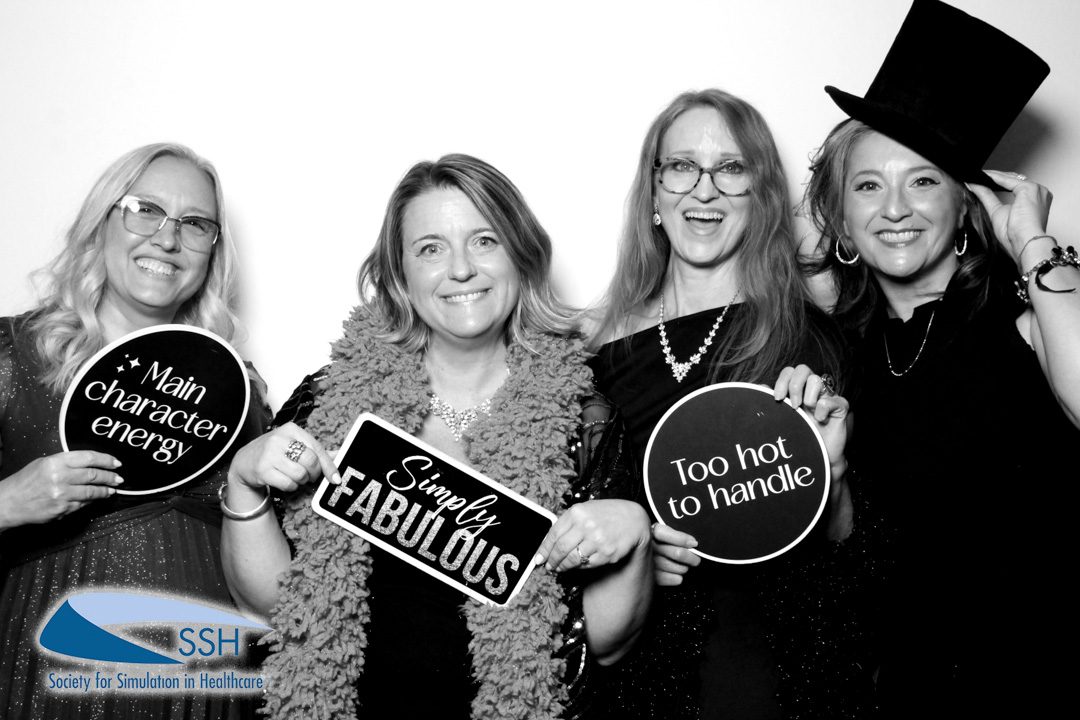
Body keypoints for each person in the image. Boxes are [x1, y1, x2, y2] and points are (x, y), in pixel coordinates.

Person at [220, 154, 653, 719]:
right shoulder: (329, 400)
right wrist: (244, 481)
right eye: (430, 249)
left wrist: (635, 536)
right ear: (400, 274)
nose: (461, 269)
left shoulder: (585, 421)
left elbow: (605, 646)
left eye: (484, 241)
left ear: (521, 256)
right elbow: (274, 608)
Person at [803, 1, 1079, 715]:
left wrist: (1033, 242)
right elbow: (853, 553)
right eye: (869, 185)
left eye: (923, 180)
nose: (895, 208)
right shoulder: (844, 356)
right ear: (842, 221)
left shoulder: (1028, 310)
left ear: (963, 208)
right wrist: (831, 474)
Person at [587, 88, 872, 719]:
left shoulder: (810, 342)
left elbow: (850, 556)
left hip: (763, 665)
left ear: (761, 194)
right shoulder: (592, 346)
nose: (704, 189)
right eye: (682, 166)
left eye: (731, 168)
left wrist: (832, 476)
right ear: (654, 190)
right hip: (629, 671)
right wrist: (634, 556)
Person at [0, 143, 269, 719]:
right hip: (48, 683)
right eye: (145, 210)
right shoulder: (11, 355)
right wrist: (7, 503)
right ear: (101, 222)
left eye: (195, 224)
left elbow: (270, 588)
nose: (168, 239)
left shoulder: (238, 392)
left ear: (212, 252)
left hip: (208, 691)